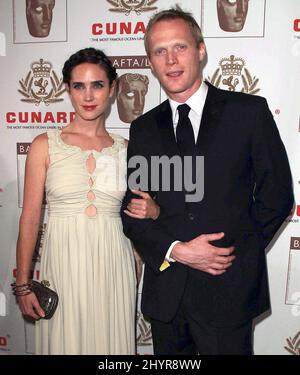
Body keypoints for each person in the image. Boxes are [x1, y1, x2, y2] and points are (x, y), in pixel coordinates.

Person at [121, 6, 294, 355]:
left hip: (227, 290)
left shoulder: (247, 113)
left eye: (180, 47)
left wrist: (236, 251)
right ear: (150, 63)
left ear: (200, 50)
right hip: (167, 297)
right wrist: (178, 251)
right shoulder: (144, 129)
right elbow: (134, 210)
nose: (170, 60)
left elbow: (277, 197)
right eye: (159, 51)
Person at [14, 47, 159, 355]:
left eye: (98, 85)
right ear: (67, 89)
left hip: (115, 265)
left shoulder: (128, 149)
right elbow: (29, 218)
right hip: (63, 265)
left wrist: (154, 212)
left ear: (113, 89)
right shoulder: (44, 145)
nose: (88, 95)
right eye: (79, 85)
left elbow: (141, 215)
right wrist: (23, 285)